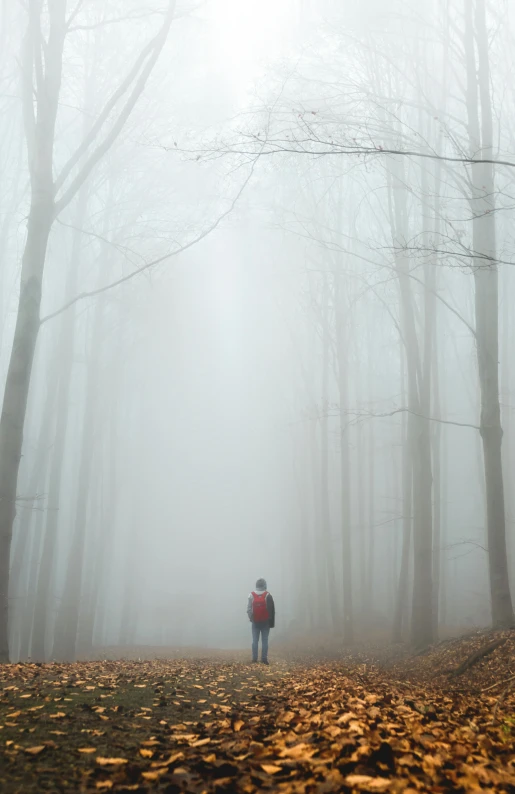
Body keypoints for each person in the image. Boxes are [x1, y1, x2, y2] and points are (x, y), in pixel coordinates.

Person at [247, 578, 275, 665]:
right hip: (265, 622)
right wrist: (271, 622)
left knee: (255, 640)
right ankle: (264, 659)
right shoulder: (267, 595)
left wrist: (252, 618)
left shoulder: (251, 595)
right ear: (264, 585)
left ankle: (254, 658)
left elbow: (248, 609)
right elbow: (271, 610)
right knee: (265, 640)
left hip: (255, 621)